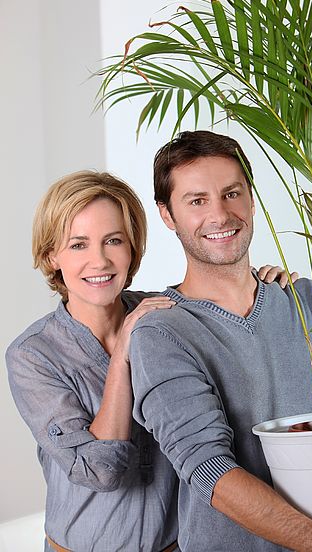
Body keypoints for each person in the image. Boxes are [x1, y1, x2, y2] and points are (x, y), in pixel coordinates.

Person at [129, 130, 312, 552]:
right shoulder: (161, 332)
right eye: (197, 201)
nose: (220, 215)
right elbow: (209, 471)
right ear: (167, 215)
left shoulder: (307, 298)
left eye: (231, 193)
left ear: (251, 199)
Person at [5, 169, 294, 552]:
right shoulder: (32, 355)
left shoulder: (166, 315)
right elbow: (100, 470)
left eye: (114, 241)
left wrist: (259, 287)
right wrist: (123, 351)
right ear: (51, 255)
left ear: (133, 248)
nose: (100, 260)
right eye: (78, 245)